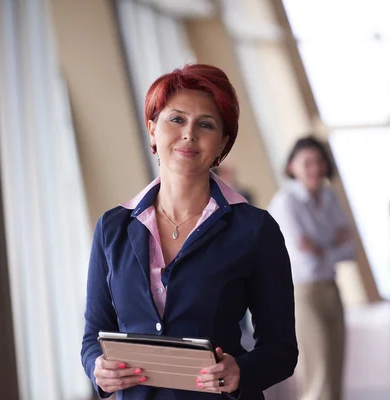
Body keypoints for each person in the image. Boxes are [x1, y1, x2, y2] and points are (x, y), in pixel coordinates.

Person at [80, 64, 298, 400]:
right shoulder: (113, 228)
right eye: (176, 119)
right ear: (152, 129)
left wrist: (242, 371)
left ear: (222, 143)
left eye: (206, 124)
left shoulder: (255, 229)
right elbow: (93, 336)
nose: (189, 134)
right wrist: (97, 367)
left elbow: (282, 350)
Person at [268, 136, 356, 400]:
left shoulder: (329, 196)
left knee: (335, 372)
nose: (315, 168)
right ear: (291, 167)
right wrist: (332, 244)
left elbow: (350, 249)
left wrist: (319, 248)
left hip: (330, 287)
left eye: (319, 162)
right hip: (301, 293)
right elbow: (304, 258)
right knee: (316, 376)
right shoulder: (286, 202)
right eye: (307, 163)